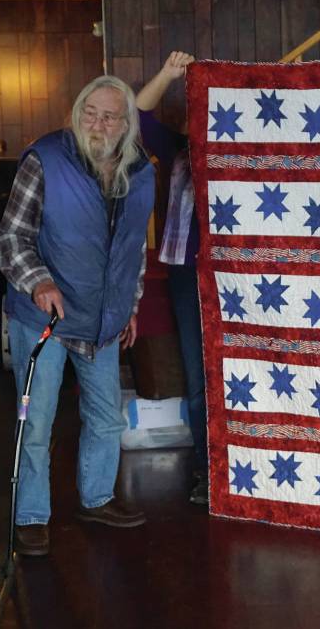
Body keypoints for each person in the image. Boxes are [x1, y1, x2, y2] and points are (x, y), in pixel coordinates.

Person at [0, 75, 155, 556]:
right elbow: (12, 236)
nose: (98, 124)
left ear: (126, 124)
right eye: (90, 113)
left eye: (109, 116)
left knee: (106, 419)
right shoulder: (45, 159)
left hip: (103, 319)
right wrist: (39, 282)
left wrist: (129, 304)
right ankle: (31, 515)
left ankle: (98, 498)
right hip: (43, 317)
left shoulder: (139, 170)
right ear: (76, 113)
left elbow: (133, 249)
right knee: (37, 422)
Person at [136, 51, 208, 504]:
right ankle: (207, 470)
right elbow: (137, 116)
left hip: (243, 277)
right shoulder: (176, 149)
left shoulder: (252, 152)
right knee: (199, 375)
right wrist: (167, 73)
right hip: (187, 273)